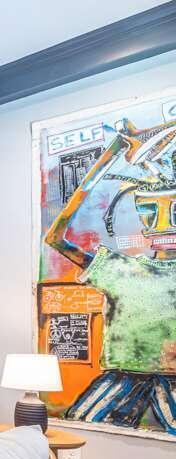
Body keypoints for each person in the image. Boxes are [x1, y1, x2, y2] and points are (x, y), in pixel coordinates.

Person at [44, 119, 176, 434]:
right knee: (74, 431)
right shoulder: (120, 268)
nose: (162, 224)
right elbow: (55, 238)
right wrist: (110, 154)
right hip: (120, 377)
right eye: (149, 213)